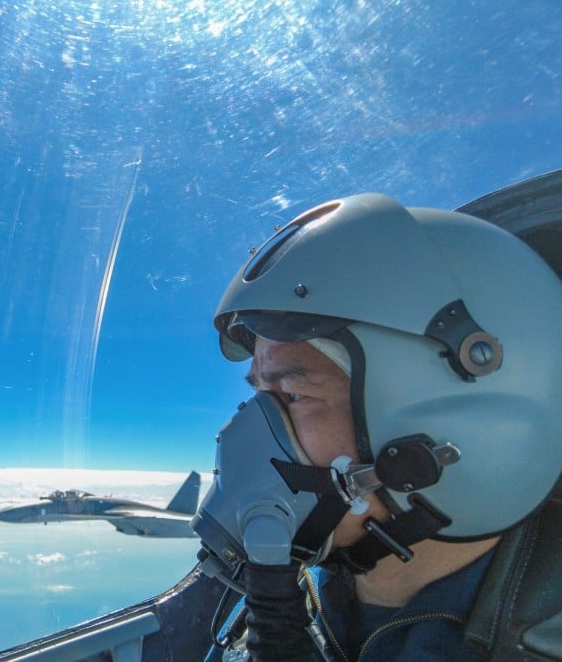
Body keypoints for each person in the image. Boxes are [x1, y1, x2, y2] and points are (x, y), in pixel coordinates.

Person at [194, 193, 562, 660]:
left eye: (294, 395)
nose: (246, 433)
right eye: (259, 396)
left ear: (450, 418)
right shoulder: (281, 599)